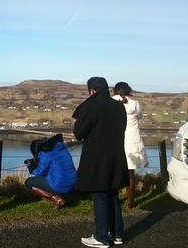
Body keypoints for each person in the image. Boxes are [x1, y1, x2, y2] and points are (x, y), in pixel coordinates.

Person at [72, 77, 129, 248]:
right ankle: (117, 234)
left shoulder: (89, 106)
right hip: (116, 156)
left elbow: (79, 133)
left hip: (97, 157)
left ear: (92, 90)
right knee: (112, 194)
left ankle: (101, 237)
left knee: (100, 196)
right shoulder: (119, 107)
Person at [112, 82, 149, 208]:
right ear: (128, 90)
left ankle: (114, 199)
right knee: (130, 173)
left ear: (115, 90)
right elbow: (139, 116)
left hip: (116, 140)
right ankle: (130, 201)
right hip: (132, 142)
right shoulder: (135, 104)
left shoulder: (111, 102)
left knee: (114, 170)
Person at [24, 134, 77, 210]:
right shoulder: (60, 147)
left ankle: (56, 198)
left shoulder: (44, 151)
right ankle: (62, 197)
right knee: (57, 177)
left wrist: (30, 166)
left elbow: (40, 173)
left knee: (28, 182)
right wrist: (39, 160)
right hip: (73, 184)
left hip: (60, 184)